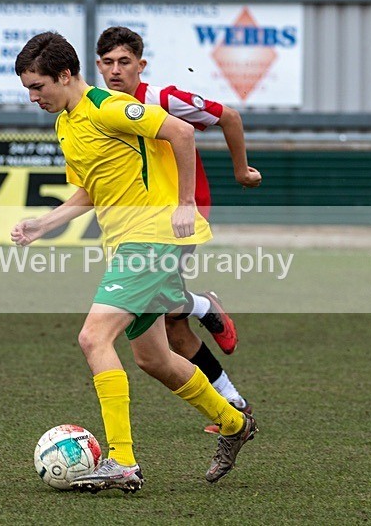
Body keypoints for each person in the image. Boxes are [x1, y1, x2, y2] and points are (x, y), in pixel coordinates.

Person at [12, 32, 257, 493]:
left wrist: (186, 202)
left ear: (65, 75)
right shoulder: (66, 123)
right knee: (154, 358)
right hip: (127, 244)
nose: (33, 96)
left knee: (93, 337)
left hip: (151, 239)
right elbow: (91, 188)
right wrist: (46, 224)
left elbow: (180, 131)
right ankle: (233, 422)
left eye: (38, 86)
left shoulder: (106, 106)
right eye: (28, 88)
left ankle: (122, 461)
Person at [96, 26, 262, 433]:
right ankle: (233, 400)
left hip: (178, 217)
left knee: (158, 323)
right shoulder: (98, 110)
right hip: (142, 222)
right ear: (98, 66)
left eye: (124, 62)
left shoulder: (162, 99)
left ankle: (203, 308)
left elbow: (230, 116)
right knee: (170, 329)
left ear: (141, 64)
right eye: (107, 63)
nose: (115, 71)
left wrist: (241, 170)